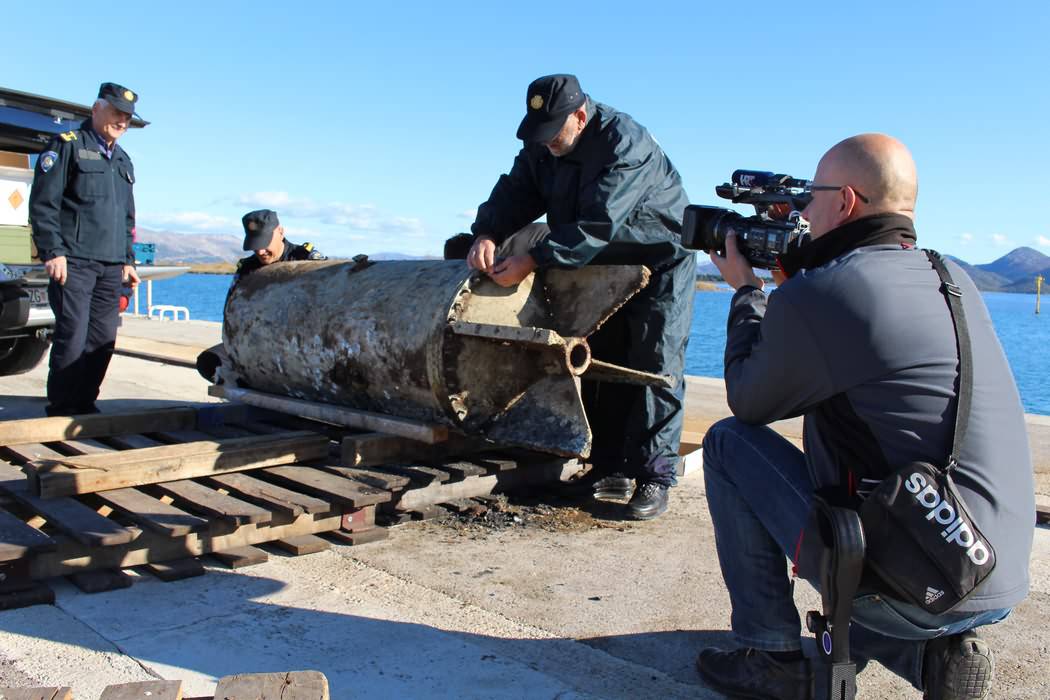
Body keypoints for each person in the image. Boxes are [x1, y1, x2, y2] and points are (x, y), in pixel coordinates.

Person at [697, 133, 1034, 699]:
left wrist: (747, 293)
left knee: (730, 444)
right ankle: (932, 662)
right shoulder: (953, 278)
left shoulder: (826, 293)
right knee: (867, 516)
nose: (802, 212)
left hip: (917, 575)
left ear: (847, 202)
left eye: (811, 198)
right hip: (993, 574)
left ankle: (773, 656)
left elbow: (750, 398)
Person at [466, 74, 696, 520]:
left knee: (654, 364)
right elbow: (517, 190)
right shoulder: (544, 142)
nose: (548, 142)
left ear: (579, 115)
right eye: (541, 134)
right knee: (596, 361)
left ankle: (655, 474)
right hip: (596, 263)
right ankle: (607, 466)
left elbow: (598, 223)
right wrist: (488, 231)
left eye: (555, 133)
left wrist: (532, 259)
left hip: (660, 260)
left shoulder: (625, 142)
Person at [28, 82, 143, 416]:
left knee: (102, 339)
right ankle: (63, 406)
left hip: (111, 265)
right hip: (74, 261)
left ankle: (85, 402)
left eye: (127, 116)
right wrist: (52, 251)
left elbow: (127, 216)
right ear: (96, 108)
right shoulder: (67, 146)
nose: (122, 121)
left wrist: (128, 260)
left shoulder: (123, 160)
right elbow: (43, 204)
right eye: (116, 112)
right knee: (73, 335)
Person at [234, 209, 326, 281]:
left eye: (265, 243)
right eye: (255, 245)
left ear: (281, 232)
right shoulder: (246, 269)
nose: (260, 252)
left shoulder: (308, 260)